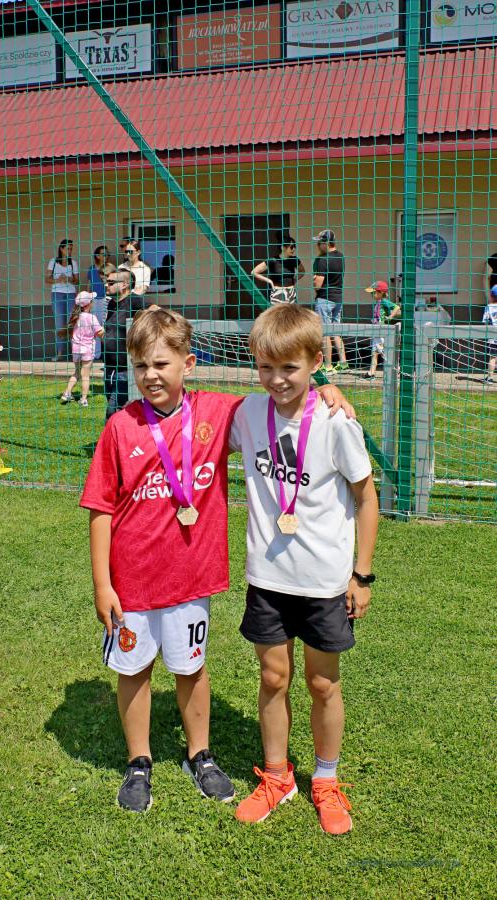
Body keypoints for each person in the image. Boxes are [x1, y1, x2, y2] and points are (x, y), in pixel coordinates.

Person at [80, 307, 356, 814]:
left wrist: (326, 389)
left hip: (192, 578)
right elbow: (100, 509)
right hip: (133, 582)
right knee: (134, 670)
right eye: (141, 365)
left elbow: (284, 395)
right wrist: (103, 584)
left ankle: (200, 755)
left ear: (188, 364)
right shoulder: (119, 427)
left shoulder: (218, 413)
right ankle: (138, 760)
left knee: (191, 667)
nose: (150, 375)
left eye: (161, 364)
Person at [229, 304, 378, 834]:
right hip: (268, 578)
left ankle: (326, 780)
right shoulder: (248, 413)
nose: (277, 380)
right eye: (265, 367)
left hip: (324, 582)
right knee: (273, 677)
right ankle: (277, 777)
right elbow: (193, 417)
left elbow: (366, 498)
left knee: (321, 683)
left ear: (316, 361)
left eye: (290, 368)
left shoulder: (336, 421)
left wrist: (361, 574)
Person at [102, 269, 147, 420]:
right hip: (109, 368)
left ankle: (110, 436)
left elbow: (155, 310)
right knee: (115, 410)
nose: (106, 285)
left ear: (124, 284)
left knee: (113, 411)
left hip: (125, 370)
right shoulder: (112, 304)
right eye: (106, 282)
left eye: (110, 283)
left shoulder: (135, 301)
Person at [312, 229, 348, 374]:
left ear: (326, 243)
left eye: (319, 243)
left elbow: (318, 285)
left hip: (325, 298)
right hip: (338, 298)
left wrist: (315, 280)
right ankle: (343, 363)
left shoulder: (323, 260)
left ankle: (328, 366)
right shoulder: (341, 256)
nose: (318, 245)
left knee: (325, 332)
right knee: (336, 331)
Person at [59, 291, 104, 407]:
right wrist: (106, 328)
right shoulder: (91, 317)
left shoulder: (75, 317)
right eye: (92, 301)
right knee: (85, 376)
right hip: (87, 350)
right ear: (89, 304)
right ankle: (83, 399)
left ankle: (67, 393)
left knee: (77, 373)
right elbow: (100, 333)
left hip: (76, 350)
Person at [46, 239, 80, 360]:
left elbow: (77, 281)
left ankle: (75, 354)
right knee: (59, 325)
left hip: (71, 294)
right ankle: (59, 353)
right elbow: (47, 279)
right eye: (67, 248)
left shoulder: (73, 263)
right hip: (57, 294)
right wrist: (58, 280)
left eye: (71, 249)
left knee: (72, 323)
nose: (69, 251)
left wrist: (69, 279)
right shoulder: (53, 262)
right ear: (61, 249)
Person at [361, 280, 401, 379]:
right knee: (375, 352)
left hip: (382, 332)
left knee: (384, 352)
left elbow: (396, 307)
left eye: (373, 292)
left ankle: (397, 371)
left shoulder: (384, 301)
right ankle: (371, 373)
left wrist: (390, 316)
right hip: (377, 331)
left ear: (380, 292)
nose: (372, 295)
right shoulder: (378, 303)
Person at [251, 236, 305, 304]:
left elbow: (302, 271)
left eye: (294, 247)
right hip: (277, 293)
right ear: (283, 247)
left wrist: (294, 280)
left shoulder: (294, 260)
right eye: (291, 247)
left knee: (291, 311)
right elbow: (254, 272)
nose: (293, 249)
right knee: (278, 311)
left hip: (291, 293)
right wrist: (269, 281)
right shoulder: (273, 260)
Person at [482, 284, 497, 384]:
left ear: (491, 295)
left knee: (492, 357)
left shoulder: (489, 307)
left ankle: (490, 378)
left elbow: (485, 321)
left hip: (492, 336)